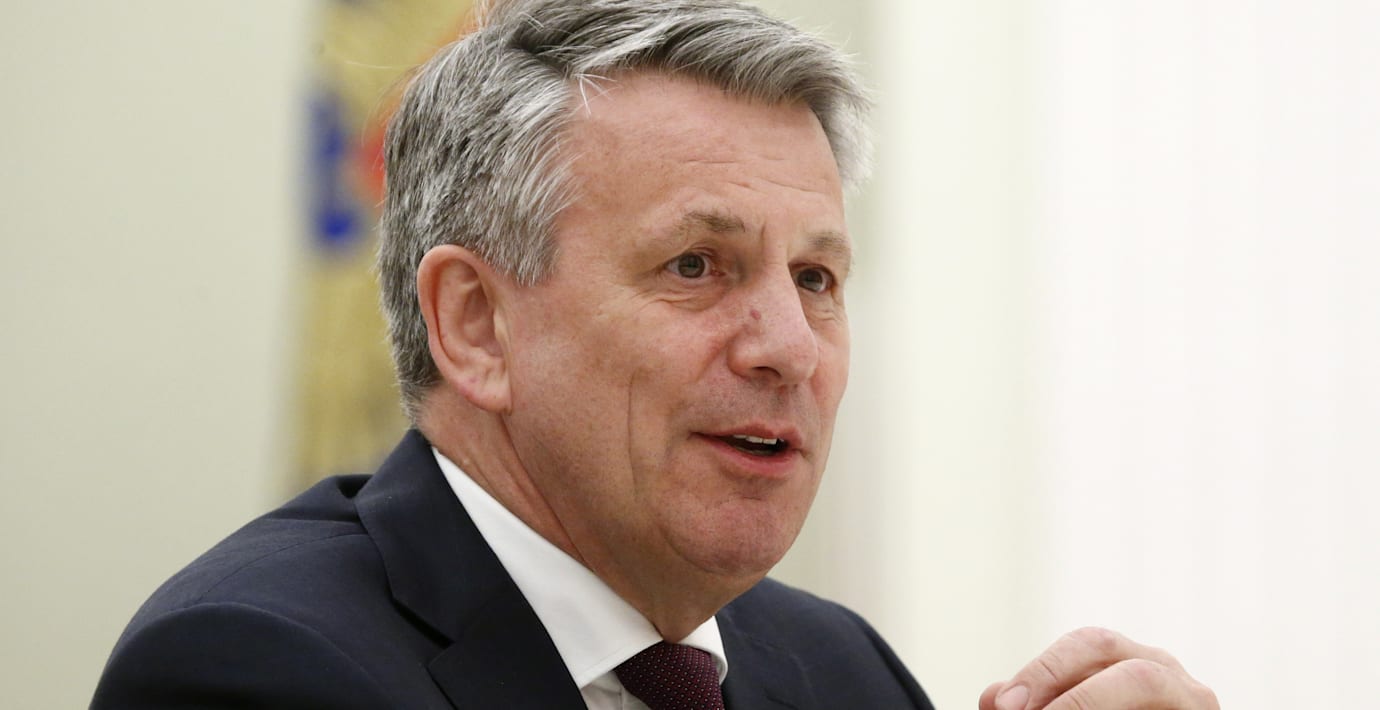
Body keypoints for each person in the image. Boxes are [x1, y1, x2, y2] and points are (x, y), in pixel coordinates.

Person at [93, 1, 1218, 708]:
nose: (790, 349)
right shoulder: (254, 667)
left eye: (816, 279)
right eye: (696, 265)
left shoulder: (843, 672)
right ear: (476, 325)